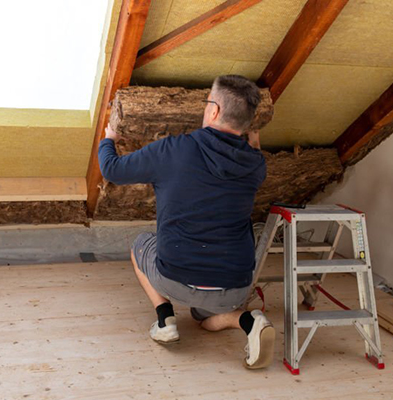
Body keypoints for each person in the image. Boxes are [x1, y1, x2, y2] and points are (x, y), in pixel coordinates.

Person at [98, 75, 274, 369]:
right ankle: (248, 320)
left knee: (140, 244)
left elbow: (112, 169)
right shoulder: (255, 165)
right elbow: (252, 154)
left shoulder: (173, 150)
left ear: (214, 111)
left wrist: (109, 137)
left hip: (175, 277)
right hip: (235, 285)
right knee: (204, 319)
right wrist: (254, 143)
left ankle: (164, 316)